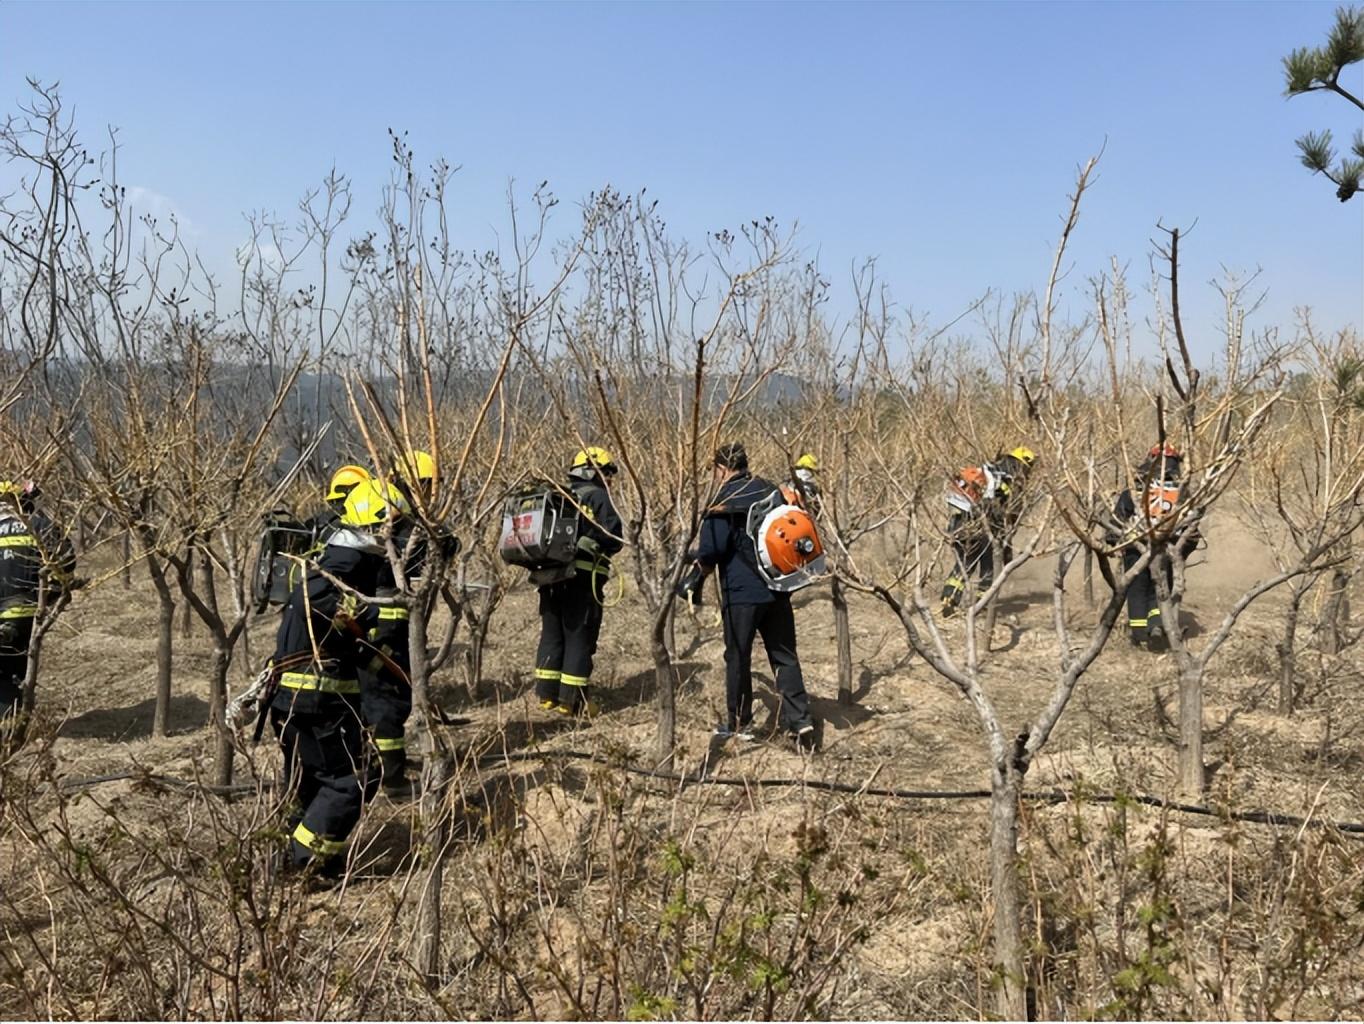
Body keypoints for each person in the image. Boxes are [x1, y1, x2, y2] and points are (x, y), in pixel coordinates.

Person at [267, 478, 407, 876]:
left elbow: (342, 637)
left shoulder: (331, 556)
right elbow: (324, 606)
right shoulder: (343, 568)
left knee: (311, 782)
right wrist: (372, 616)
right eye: (399, 528)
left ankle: (298, 858)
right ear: (382, 526)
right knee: (355, 779)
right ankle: (305, 861)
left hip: (295, 699)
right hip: (319, 700)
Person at [680, 443, 815, 744]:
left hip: (741, 592)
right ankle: (800, 720)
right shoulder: (770, 490)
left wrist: (694, 571)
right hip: (778, 586)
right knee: (784, 655)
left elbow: (713, 549)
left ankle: (740, 723)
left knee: (738, 657)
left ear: (721, 469)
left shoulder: (723, 498)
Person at [533, 447, 623, 718]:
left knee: (552, 634)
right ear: (594, 471)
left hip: (550, 577)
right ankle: (571, 702)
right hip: (583, 577)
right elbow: (614, 536)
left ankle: (547, 696)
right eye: (607, 473)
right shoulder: (597, 496)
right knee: (579, 637)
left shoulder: (558, 496)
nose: (609, 480)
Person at [0, 480, 75, 728]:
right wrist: (56, 590)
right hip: (25, 612)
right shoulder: (40, 526)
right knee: (13, 673)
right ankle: (12, 731)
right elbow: (65, 561)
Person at [1111, 443, 1199, 651]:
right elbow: (1192, 526)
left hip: (1135, 546)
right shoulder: (1181, 492)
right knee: (1160, 589)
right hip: (1167, 547)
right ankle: (1157, 626)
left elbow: (1119, 516)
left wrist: (1113, 540)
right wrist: (1183, 549)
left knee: (1137, 591)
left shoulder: (1136, 488)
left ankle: (1139, 635)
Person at [940, 446, 1036, 616]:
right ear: (1021, 465)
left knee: (965, 562)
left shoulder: (988, 470)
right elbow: (1004, 514)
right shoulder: (1006, 480)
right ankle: (981, 605)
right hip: (978, 525)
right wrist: (1006, 545)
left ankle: (949, 600)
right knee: (987, 566)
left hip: (958, 522)